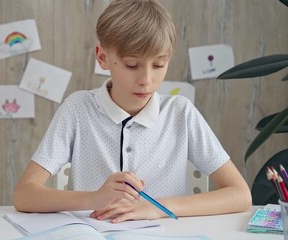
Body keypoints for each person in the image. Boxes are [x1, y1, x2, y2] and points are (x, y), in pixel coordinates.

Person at [13, 0, 251, 223]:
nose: (146, 80)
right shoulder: (77, 110)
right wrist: (93, 198)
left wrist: (157, 208)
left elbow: (240, 195)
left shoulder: (181, 113)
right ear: (103, 57)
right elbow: (24, 194)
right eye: (132, 65)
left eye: (158, 65)